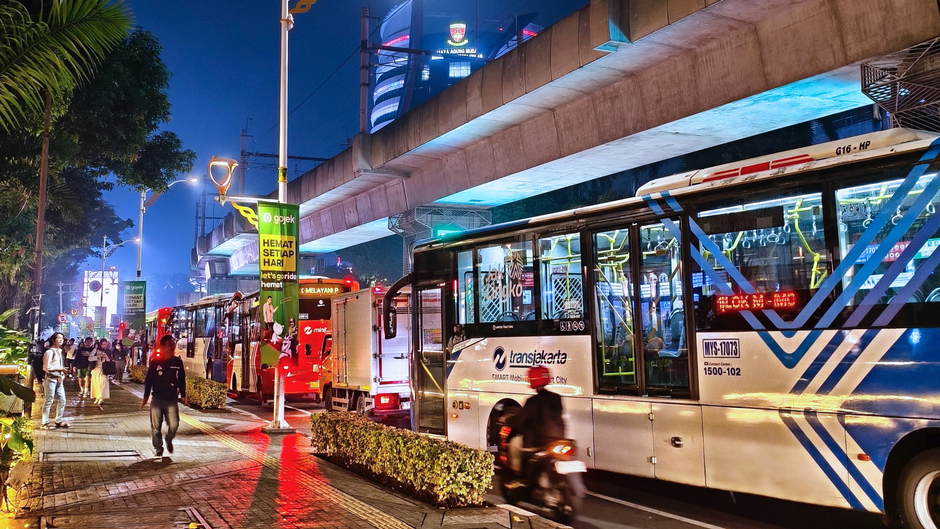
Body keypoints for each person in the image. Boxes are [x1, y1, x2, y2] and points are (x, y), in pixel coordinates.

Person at [508, 365, 565, 474]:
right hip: (558, 440)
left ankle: (523, 480)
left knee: (514, 446)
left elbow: (520, 420)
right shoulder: (557, 398)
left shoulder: (532, 401)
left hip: (537, 443)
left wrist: (507, 421)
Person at [141, 335, 187, 457]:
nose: (172, 346)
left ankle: (168, 439)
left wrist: (184, 395)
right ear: (162, 346)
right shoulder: (155, 362)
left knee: (174, 424)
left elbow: (182, 379)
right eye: (169, 344)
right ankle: (158, 448)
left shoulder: (177, 361)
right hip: (157, 398)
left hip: (171, 399)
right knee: (156, 427)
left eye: (173, 344)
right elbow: (149, 379)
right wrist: (146, 397)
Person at [40, 332, 68, 429]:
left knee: (62, 400)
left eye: (62, 338)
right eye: (58, 338)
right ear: (53, 340)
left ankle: (59, 420)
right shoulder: (49, 352)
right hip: (50, 379)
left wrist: (62, 373)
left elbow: (58, 365)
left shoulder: (60, 351)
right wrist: (61, 370)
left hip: (59, 379)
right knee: (49, 400)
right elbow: (46, 367)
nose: (60, 340)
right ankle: (45, 423)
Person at [88, 338, 112, 405]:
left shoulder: (108, 351)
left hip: (104, 370)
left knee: (102, 384)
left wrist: (105, 356)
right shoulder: (95, 350)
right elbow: (90, 358)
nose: (104, 346)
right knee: (96, 384)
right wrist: (98, 356)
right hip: (96, 369)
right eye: (102, 344)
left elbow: (109, 361)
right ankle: (97, 397)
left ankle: (101, 397)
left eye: (105, 344)